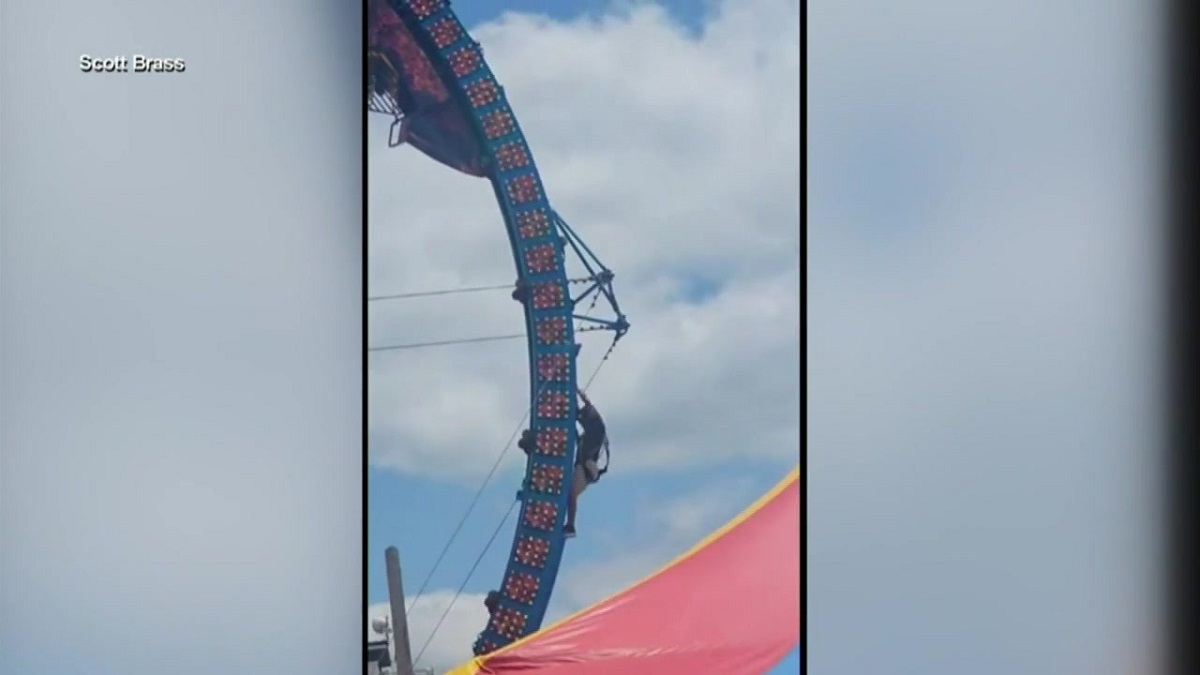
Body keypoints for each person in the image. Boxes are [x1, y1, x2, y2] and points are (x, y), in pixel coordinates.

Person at [565, 387, 607, 538]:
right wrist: (577, 392)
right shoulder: (588, 436)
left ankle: (570, 526)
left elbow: (587, 406)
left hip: (585, 468)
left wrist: (577, 392)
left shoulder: (596, 432)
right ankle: (570, 525)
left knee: (571, 495)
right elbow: (586, 405)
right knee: (570, 495)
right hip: (586, 467)